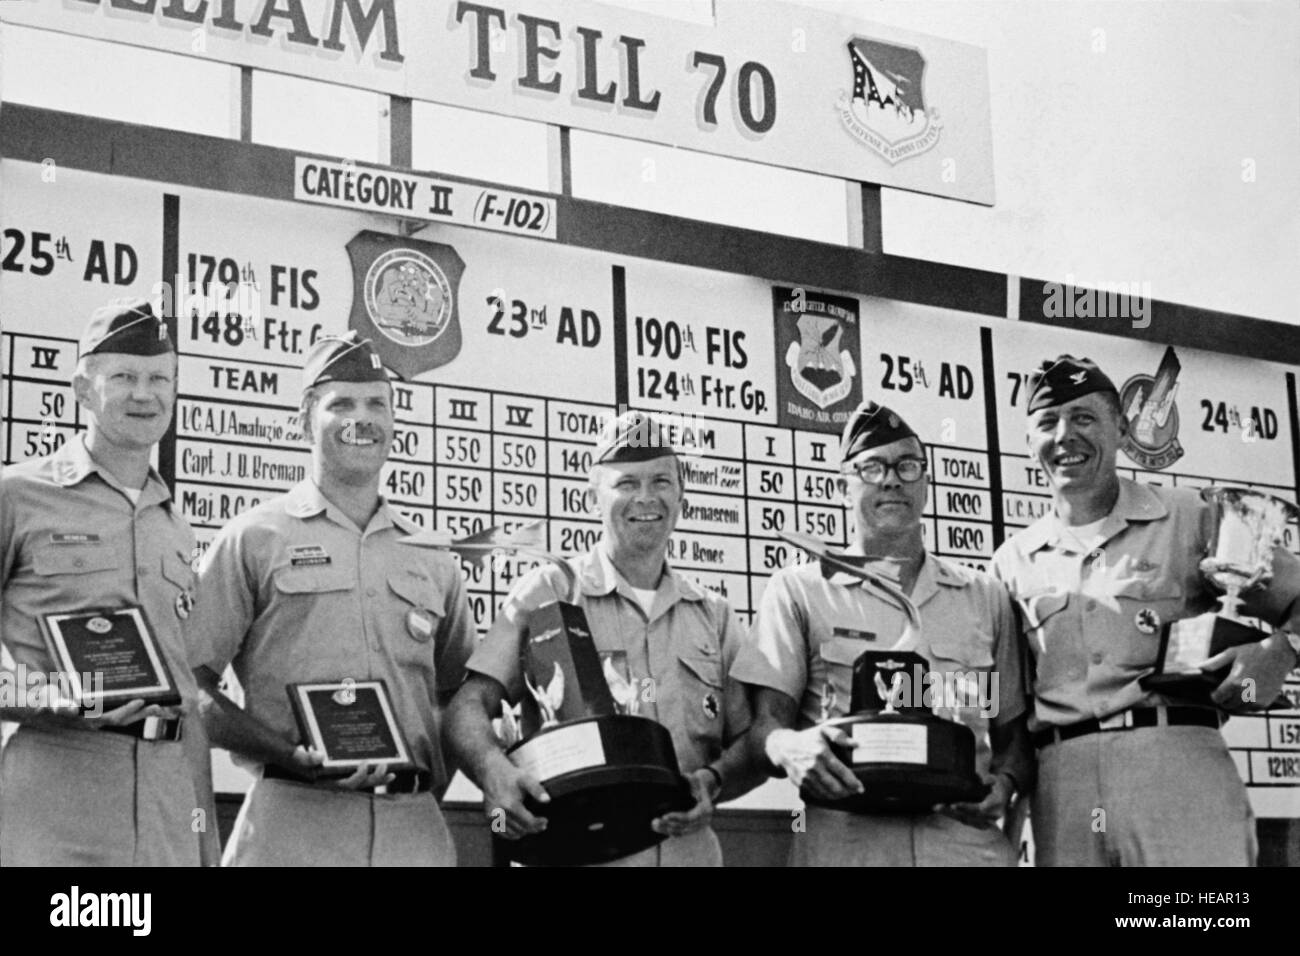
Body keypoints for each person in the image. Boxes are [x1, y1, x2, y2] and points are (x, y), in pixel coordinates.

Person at [992, 354, 1300, 866]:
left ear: (1120, 427)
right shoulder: (1011, 562)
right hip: (1062, 782)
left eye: (1085, 418)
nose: (1065, 435)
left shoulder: (1192, 516)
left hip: (1173, 769)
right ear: (1029, 442)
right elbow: (1010, 712)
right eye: (1048, 422)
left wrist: (1282, 650)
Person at [187, 332, 475, 866]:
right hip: (291, 822)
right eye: (340, 403)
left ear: (393, 422)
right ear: (304, 421)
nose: (360, 418)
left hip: (413, 834)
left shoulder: (432, 558)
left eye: (376, 404)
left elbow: (459, 699)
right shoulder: (254, 537)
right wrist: (290, 756)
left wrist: (424, 787)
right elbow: (191, 686)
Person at [446, 411, 762, 865]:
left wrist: (712, 780)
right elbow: (467, 706)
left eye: (661, 482)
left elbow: (752, 742)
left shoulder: (714, 616)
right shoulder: (550, 592)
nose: (646, 498)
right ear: (592, 497)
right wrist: (493, 772)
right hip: (572, 849)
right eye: (626, 484)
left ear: (682, 498)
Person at [734, 401, 1032, 866]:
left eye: (907, 466)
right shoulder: (800, 590)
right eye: (871, 468)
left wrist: (1006, 784)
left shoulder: (984, 597)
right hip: (846, 846)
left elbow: (1013, 736)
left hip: (962, 847)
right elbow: (763, 729)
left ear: (927, 481)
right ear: (841, 486)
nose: (892, 479)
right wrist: (790, 748)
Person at [0, 299, 214, 866]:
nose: (144, 394)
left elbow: (188, 700)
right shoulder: (16, 497)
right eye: (123, 377)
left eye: (159, 379)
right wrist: (46, 698)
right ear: (83, 388)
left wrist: (203, 839)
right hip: (55, 793)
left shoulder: (177, 527)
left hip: (169, 805)